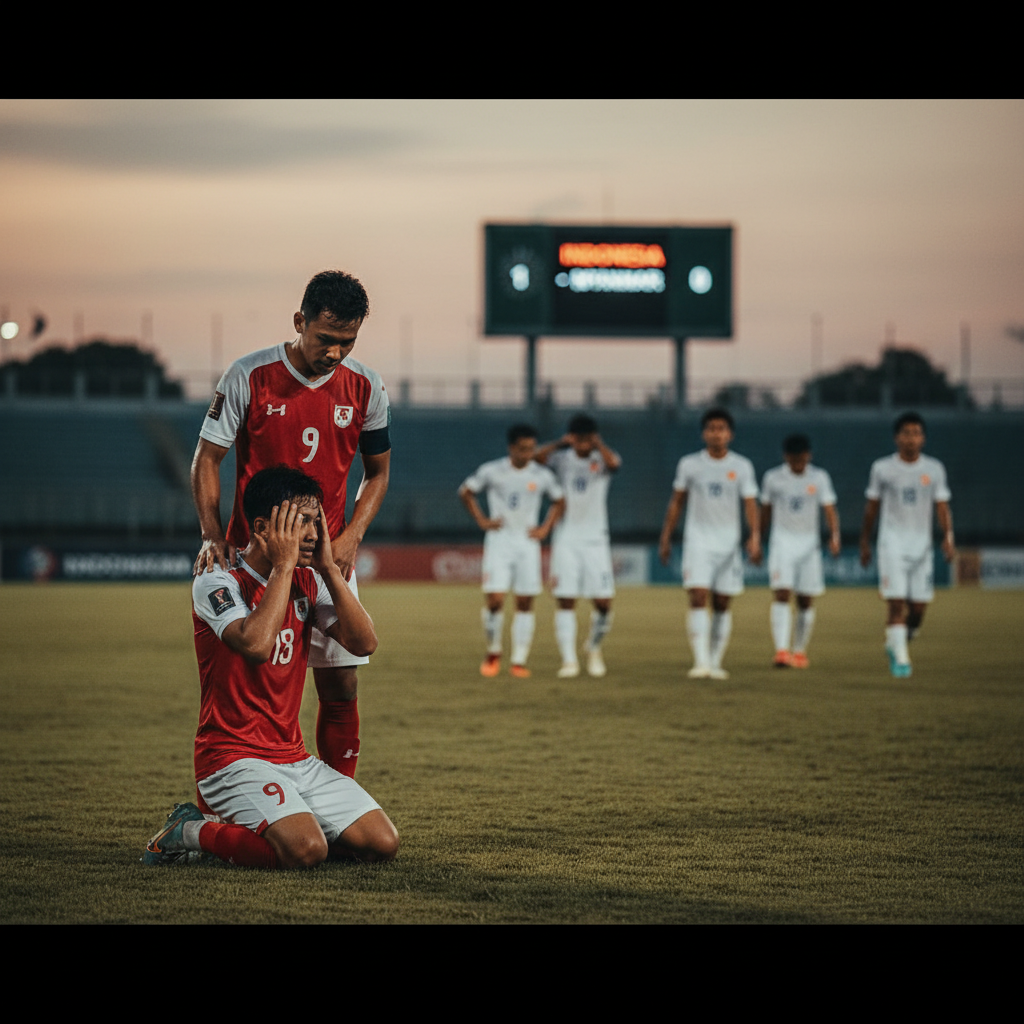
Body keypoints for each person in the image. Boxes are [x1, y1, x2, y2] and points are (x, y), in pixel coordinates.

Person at [142, 466, 399, 869]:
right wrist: (282, 568)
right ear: (262, 527)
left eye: (317, 520)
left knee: (383, 843)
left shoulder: (310, 581)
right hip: (230, 758)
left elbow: (364, 642)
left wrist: (331, 570)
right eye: (301, 521)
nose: (314, 532)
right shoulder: (217, 580)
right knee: (306, 851)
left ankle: (286, 822)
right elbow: (257, 645)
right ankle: (188, 831)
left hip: (293, 758)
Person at [191, 270, 390, 778]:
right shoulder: (248, 376)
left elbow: (379, 472)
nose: (335, 353)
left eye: (347, 342)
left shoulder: (366, 386)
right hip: (255, 561)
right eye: (326, 339)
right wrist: (213, 536)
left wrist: (350, 538)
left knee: (342, 683)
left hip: (325, 557)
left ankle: (339, 799)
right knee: (249, 687)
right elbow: (207, 458)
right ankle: (232, 787)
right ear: (300, 321)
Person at [658, 408, 761, 680]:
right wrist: (666, 537)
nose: (717, 433)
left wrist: (755, 536)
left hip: (729, 545)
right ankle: (701, 662)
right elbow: (676, 502)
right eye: (712, 428)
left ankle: (716, 661)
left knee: (723, 602)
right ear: (704, 433)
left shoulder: (742, 466)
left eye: (722, 428)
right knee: (698, 596)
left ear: (730, 434)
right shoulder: (690, 464)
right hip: (698, 542)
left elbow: (750, 504)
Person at [459, 424, 565, 679]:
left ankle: (519, 660)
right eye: (522, 449)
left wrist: (545, 528)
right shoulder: (493, 470)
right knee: (495, 600)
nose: (528, 453)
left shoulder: (541, 475)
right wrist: (483, 521)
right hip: (499, 542)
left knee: (525, 602)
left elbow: (559, 500)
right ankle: (493, 651)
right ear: (511, 448)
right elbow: (466, 491)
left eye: (531, 449)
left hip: (528, 544)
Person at [860, 411, 954, 678]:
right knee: (895, 603)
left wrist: (948, 538)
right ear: (896, 438)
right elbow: (872, 508)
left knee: (918, 610)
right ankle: (901, 659)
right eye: (906, 433)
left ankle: (900, 639)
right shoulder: (882, 468)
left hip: (921, 547)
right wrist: (865, 541)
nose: (911, 439)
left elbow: (942, 507)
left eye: (916, 433)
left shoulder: (934, 469)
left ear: (922, 438)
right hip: (892, 545)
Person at [535, 413, 621, 678]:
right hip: (567, 538)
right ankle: (569, 660)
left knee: (604, 602)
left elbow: (615, 465)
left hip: (596, 539)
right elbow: (536, 458)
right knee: (565, 599)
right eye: (578, 439)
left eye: (587, 439)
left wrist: (599, 445)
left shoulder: (601, 460)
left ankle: (593, 647)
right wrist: (560, 443)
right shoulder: (562, 459)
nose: (582, 444)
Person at [760, 434, 840, 669]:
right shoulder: (773, 478)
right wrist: (756, 538)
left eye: (802, 459)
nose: (799, 464)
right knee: (782, 593)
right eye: (794, 459)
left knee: (805, 600)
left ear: (809, 456)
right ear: (786, 457)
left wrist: (834, 537)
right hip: (782, 544)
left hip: (809, 547)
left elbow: (829, 509)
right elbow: (765, 510)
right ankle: (781, 651)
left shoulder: (820, 478)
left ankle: (799, 650)